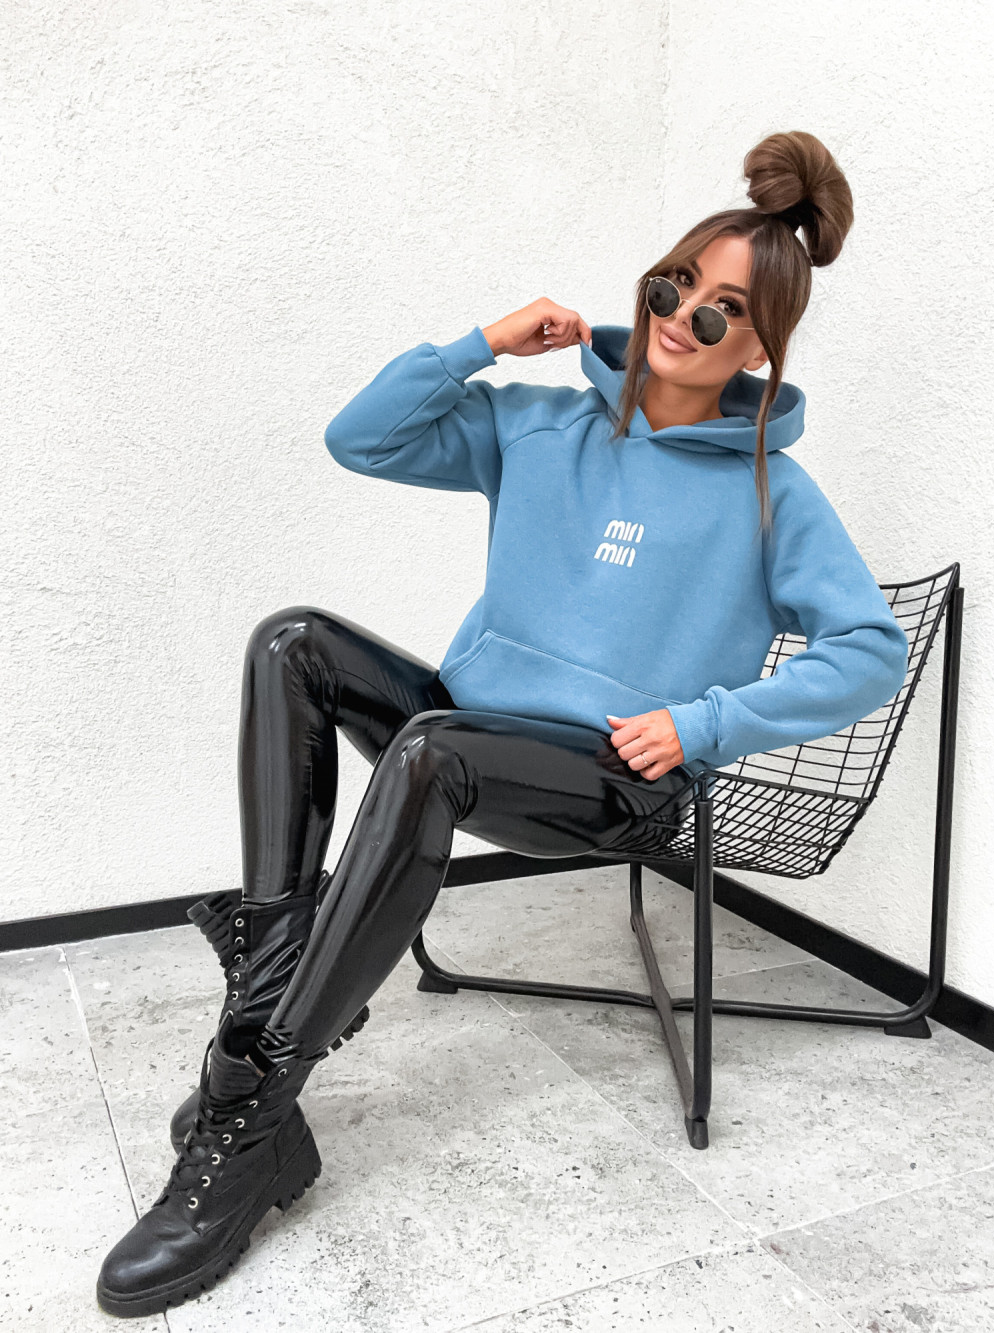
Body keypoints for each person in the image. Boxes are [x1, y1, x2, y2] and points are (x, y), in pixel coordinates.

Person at [95, 129, 909, 1317]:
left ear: (760, 349)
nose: (684, 318)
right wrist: (480, 343)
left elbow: (869, 651)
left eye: (723, 311)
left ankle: (246, 1108)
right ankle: (272, 998)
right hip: (470, 734)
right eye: (674, 284)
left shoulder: (770, 490)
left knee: (431, 751)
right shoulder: (538, 424)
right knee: (292, 641)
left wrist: (703, 724)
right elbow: (360, 437)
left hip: (611, 780)